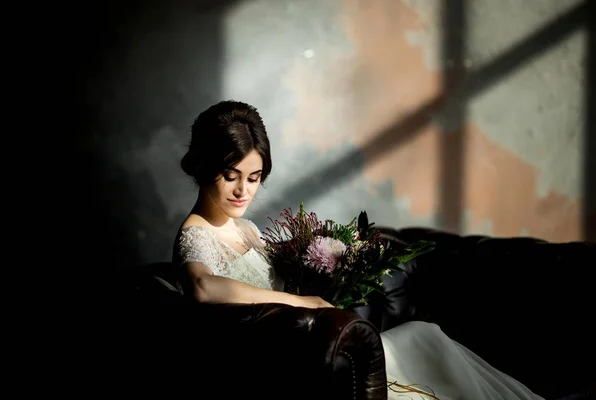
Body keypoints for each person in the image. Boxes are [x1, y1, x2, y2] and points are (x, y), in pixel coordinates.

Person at [172, 100, 544, 400]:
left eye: (253, 179)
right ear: (205, 168)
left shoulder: (246, 228)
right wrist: (307, 304)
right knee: (420, 345)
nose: (243, 192)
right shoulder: (195, 234)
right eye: (230, 175)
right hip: (273, 368)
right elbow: (203, 287)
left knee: (425, 337)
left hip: (305, 349)